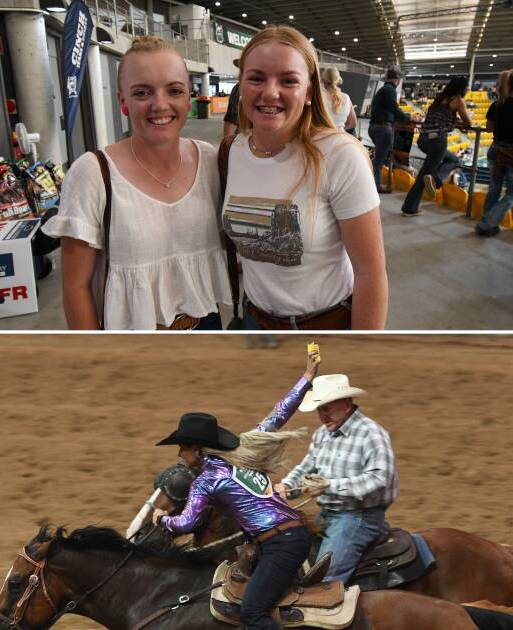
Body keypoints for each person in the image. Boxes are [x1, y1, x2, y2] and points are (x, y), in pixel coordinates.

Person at [42, 36, 231, 330]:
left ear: (188, 98)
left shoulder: (210, 161)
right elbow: (75, 289)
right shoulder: (93, 173)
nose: (160, 104)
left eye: (174, 90)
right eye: (142, 92)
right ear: (123, 102)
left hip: (206, 324)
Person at [223, 27, 386, 330]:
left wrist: (366, 356)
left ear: (309, 92)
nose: (270, 92)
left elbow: (370, 275)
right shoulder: (230, 152)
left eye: (288, 80)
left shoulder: (339, 156)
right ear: (241, 85)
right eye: (256, 78)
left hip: (323, 327)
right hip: (255, 323)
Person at [152, 357, 317, 630]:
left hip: (280, 545)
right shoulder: (243, 451)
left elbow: (187, 524)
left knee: (252, 613)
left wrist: (161, 519)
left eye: (182, 448)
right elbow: (279, 414)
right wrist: (306, 378)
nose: (179, 455)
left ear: (197, 449)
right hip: (291, 535)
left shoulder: (206, 481)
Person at [275, 373, 396, 585]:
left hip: (359, 517)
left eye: (327, 408)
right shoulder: (322, 434)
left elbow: (379, 479)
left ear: (347, 405)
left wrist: (329, 486)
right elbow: (306, 467)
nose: (322, 415)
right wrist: (287, 485)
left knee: (323, 580)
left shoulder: (371, 434)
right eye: (319, 409)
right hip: (327, 514)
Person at [401, 77, 469, 217]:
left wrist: (455, 122)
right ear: (463, 88)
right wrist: (461, 122)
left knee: (451, 160)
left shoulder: (439, 99)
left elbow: (441, 118)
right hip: (438, 140)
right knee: (449, 164)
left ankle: (410, 206)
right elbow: (468, 123)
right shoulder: (457, 100)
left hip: (423, 139)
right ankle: (433, 180)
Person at [478, 69, 513, 236]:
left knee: (494, 188)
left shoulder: (496, 105)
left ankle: (487, 223)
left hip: (495, 149)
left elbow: (489, 127)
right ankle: (487, 223)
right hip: (511, 153)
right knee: (511, 193)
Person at [369, 66, 411, 193]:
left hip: (375, 127)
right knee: (379, 159)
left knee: (380, 157)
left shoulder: (384, 89)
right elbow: (394, 108)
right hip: (382, 128)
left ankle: (372, 181)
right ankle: (376, 185)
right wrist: (408, 117)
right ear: (397, 80)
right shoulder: (390, 90)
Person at [320, 67, 357, 133]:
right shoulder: (346, 97)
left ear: (323, 80)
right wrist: (338, 130)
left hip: (322, 136)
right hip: (340, 137)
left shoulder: (320, 96)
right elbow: (353, 122)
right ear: (338, 80)